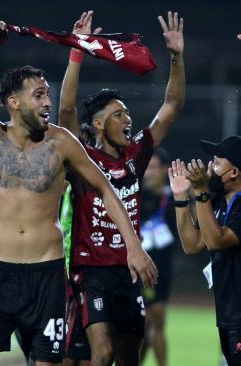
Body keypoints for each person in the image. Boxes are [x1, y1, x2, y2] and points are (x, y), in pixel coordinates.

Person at [0, 17, 154, 366]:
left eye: (47, 93)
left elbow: (105, 189)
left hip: (46, 277)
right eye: (38, 95)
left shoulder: (62, 141)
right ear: (14, 103)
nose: (48, 101)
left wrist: (134, 247)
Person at [58, 10, 184, 366]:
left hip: (129, 269)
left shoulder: (136, 155)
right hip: (90, 271)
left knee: (130, 354)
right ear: (97, 125)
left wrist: (176, 57)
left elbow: (172, 106)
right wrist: (77, 49)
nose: (128, 119)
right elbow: (66, 109)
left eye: (127, 113)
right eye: (118, 114)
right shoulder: (81, 157)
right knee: (103, 352)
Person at [169, 136, 241, 366]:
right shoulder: (220, 202)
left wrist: (201, 192)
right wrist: (181, 198)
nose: (210, 167)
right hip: (228, 314)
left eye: (218, 163)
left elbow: (216, 241)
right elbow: (192, 244)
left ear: (234, 172)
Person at [139, 148, 177, 366]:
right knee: (150, 321)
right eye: (147, 168)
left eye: (154, 168)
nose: (149, 173)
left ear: (164, 170)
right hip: (140, 269)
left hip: (164, 268)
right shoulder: (136, 197)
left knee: (154, 322)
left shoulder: (173, 197)